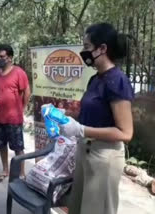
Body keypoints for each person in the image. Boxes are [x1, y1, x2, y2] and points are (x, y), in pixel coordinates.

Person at [59, 23, 134, 214]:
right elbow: (94, 115)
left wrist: (81, 130)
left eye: (86, 47)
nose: (83, 51)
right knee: (76, 207)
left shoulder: (117, 80)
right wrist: (68, 116)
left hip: (104, 158)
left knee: (96, 210)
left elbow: (125, 132)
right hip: (85, 151)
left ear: (102, 49)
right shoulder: (96, 79)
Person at [0, 44, 31, 182]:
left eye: (2, 56)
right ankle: (5, 170)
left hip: (14, 118)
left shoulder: (19, 72)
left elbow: (26, 91)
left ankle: (21, 173)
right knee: (1, 145)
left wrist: (23, 108)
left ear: (10, 58)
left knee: (18, 147)